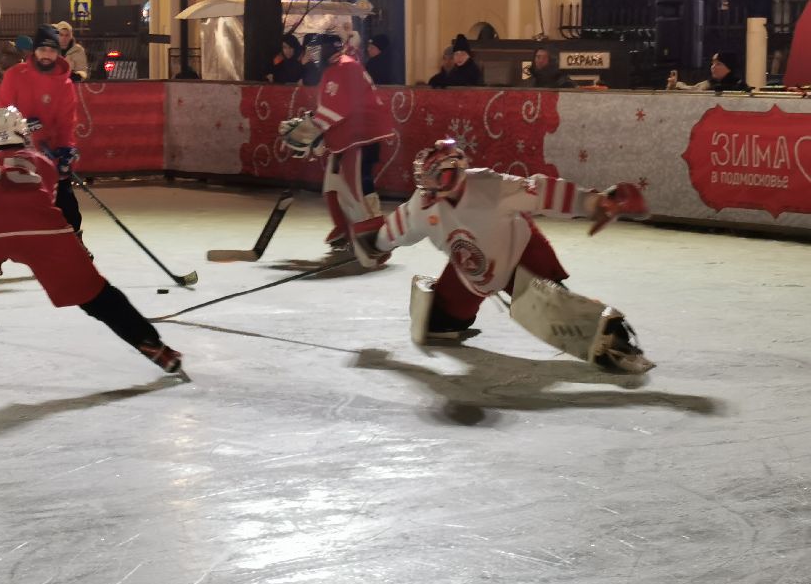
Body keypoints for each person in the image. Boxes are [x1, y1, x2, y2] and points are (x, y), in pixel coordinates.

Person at [0, 106, 183, 382]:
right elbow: (44, 204)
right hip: (47, 232)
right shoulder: (40, 161)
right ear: (23, 133)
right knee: (97, 296)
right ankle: (154, 347)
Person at [349, 138, 654, 374]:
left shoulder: (489, 185)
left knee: (560, 310)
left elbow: (544, 192)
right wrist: (376, 244)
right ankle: (457, 314)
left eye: (438, 178)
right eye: (427, 180)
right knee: (437, 326)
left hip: (519, 251)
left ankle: (617, 341)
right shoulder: (422, 206)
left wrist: (595, 203)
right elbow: (398, 228)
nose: (432, 187)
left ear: (455, 171)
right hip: (471, 273)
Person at [279, 31, 395, 250]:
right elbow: (332, 107)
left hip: (362, 135)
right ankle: (344, 225)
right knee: (332, 183)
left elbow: (339, 108)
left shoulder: (345, 67)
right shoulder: (335, 68)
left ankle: (374, 232)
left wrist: (310, 130)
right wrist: (315, 127)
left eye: (315, 51)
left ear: (326, 50)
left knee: (357, 183)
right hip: (349, 133)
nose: (312, 56)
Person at [0, 24, 83, 233]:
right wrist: (24, 126)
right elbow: (3, 114)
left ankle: (74, 245)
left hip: (50, 154)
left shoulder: (65, 84)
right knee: (3, 209)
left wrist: (66, 151)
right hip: (18, 154)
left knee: (67, 207)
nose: (47, 55)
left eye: (52, 50)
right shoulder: (14, 75)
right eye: (43, 49)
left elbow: (66, 123)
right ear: (34, 50)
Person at [667, 52, 750, 92]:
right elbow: (692, 90)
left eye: (718, 64)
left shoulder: (739, 85)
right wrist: (672, 86)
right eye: (712, 63)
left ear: (729, 68)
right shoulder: (707, 84)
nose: (713, 67)